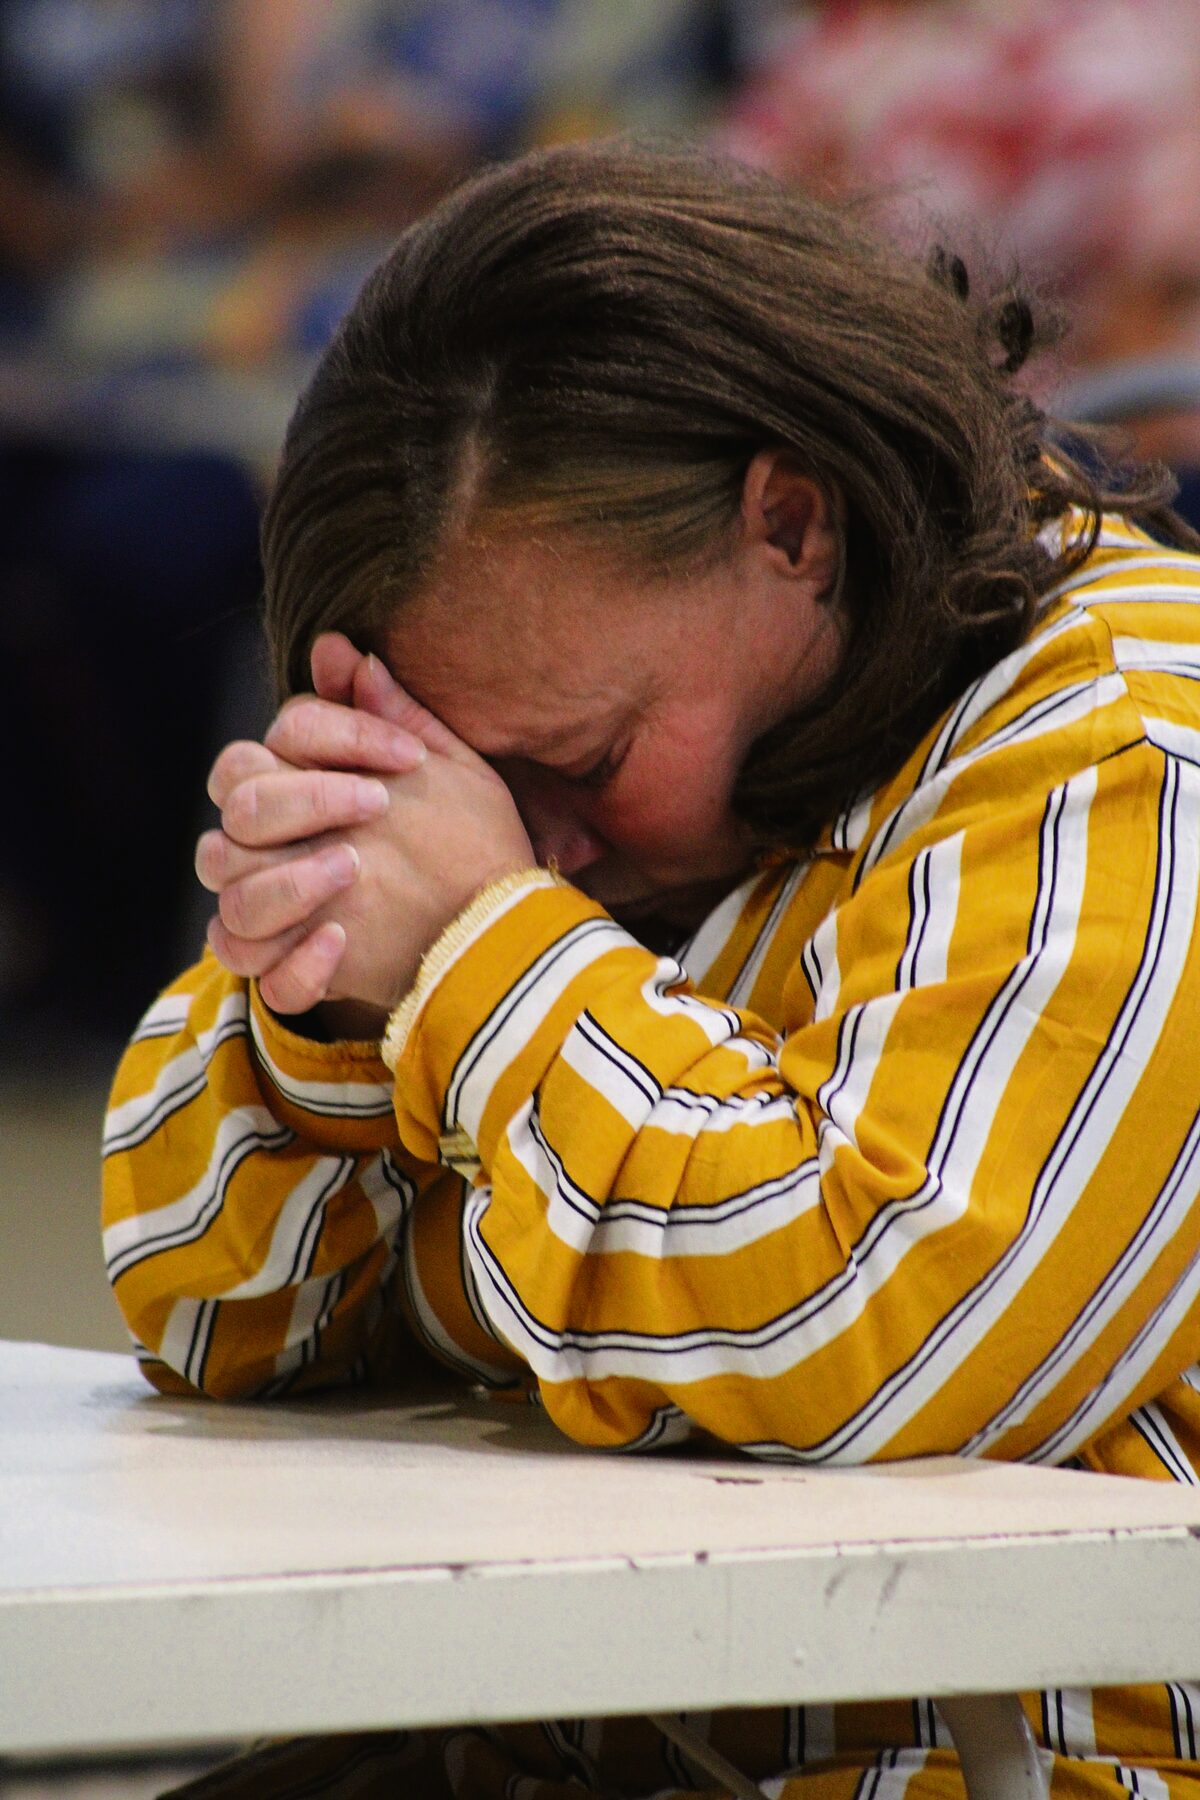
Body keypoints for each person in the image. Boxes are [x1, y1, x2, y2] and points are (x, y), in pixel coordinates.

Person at [102, 142, 1200, 1800]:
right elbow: (205, 1310)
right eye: (450, 782)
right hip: (553, 1730)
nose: (531, 850)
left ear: (792, 525)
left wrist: (481, 959)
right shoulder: (613, 799)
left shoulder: (1133, 733)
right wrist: (334, 992)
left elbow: (863, 1320)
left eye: (586, 760)